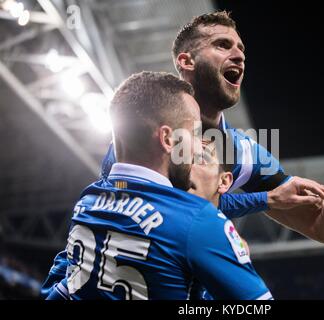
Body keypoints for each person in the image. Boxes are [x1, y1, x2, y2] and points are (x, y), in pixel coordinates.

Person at [42, 11, 324, 299]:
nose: (239, 55)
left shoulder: (245, 151)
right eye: (222, 45)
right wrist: (264, 199)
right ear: (186, 61)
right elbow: (171, 213)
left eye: (241, 48)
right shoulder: (142, 136)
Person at [43, 71, 272, 300]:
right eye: (194, 133)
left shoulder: (88, 202)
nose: (196, 148)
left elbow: (56, 293)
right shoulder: (198, 222)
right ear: (168, 139)